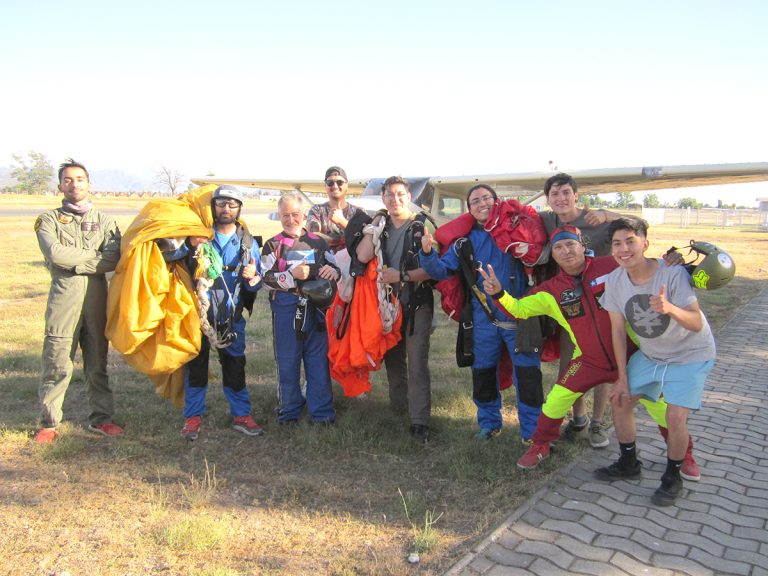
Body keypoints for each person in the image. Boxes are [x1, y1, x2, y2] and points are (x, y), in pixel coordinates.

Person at [480, 224, 699, 477]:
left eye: (571, 244)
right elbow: (518, 309)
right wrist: (498, 294)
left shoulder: (611, 266)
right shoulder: (551, 290)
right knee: (554, 403)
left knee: (662, 409)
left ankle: (686, 456)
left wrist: (670, 261)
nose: (566, 251)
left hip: (633, 357)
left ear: (583, 246)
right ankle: (541, 445)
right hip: (588, 359)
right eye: (559, 247)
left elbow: (643, 265)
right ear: (553, 255)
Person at [596, 217, 715, 507]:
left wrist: (670, 308)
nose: (624, 249)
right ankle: (628, 464)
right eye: (617, 244)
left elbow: (696, 322)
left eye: (630, 241)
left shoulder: (671, 274)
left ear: (645, 243)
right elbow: (617, 332)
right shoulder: (614, 281)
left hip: (690, 355)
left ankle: (672, 477)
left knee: (675, 417)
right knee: (620, 399)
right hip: (652, 355)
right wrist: (622, 377)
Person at [420, 184, 543, 442]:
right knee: (484, 373)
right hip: (484, 320)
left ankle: (533, 432)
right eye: (475, 201)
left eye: (486, 198)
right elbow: (441, 271)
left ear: (496, 201)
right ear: (470, 209)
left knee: (528, 377)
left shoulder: (517, 231)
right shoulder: (464, 243)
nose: (481, 204)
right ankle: (489, 424)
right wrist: (428, 253)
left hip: (520, 317)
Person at [33, 158, 122, 443]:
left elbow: (112, 258)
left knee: (97, 362)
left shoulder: (105, 222)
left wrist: (75, 263)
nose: (75, 184)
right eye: (68, 180)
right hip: (63, 300)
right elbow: (55, 254)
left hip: (96, 300)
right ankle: (49, 422)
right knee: (57, 362)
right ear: (60, 185)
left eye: (80, 179)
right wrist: (91, 261)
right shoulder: (47, 220)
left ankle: (102, 418)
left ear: (88, 184)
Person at [539, 172, 627, 448]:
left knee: (603, 364)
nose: (561, 198)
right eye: (555, 194)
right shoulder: (547, 220)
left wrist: (607, 213)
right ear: (548, 199)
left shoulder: (596, 220)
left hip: (603, 305)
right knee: (572, 365)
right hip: (571, 306)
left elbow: (639, 225)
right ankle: (579, 419)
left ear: (576, 195)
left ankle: (598, 423)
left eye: (566, 192)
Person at [178, 185, 264, 440]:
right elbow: (173, 262)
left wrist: (252, 277)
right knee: (196, 366)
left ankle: (241, 414)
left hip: (231, 317)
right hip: (199, 316)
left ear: (239, 209)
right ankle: (192, 417)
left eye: (232, 204)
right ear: (213, 207)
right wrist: (188, 246)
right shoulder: (197, 237)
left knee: (235, 365)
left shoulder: (248, 243)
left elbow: (256, 283)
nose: (226, 209)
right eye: (221, 203)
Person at [355, 176, 434, 443]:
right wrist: (375, 223)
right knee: (393, 360)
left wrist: (402, 276)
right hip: (386, 305)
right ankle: (399, 408)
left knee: (417, 361)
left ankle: (419, 421)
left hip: (416, 304)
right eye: (389, 195)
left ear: (409, 196)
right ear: (383, 198)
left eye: (400, 194)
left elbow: (437, 270)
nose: (395, 199)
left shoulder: (422, 226)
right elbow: (363, 256)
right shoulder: (381, 225)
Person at [261, 192, 338, 424]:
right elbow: (265, 279)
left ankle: (322, 413)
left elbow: (335, 268)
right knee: (287, 360)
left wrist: (334, 272)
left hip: (315, 309)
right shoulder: (272, 244)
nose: (291, 219)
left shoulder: (318, 242)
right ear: (280, 216)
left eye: (295, 214)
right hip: (286, 309)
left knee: (317, 361)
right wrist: (290, 276)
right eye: (286, 215)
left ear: (304, 215)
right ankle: (290, 410)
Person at [306, 166, 362, 253]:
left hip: (352, 264)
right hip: (324, 264)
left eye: (340, 182)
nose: (335, 186)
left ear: (347, 186)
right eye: (330, 183)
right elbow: (313, 235)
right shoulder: (317, 210)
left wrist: (342, 221)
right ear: (325, 187)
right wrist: (344, 238)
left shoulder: (358, 212)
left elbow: (363, 239)